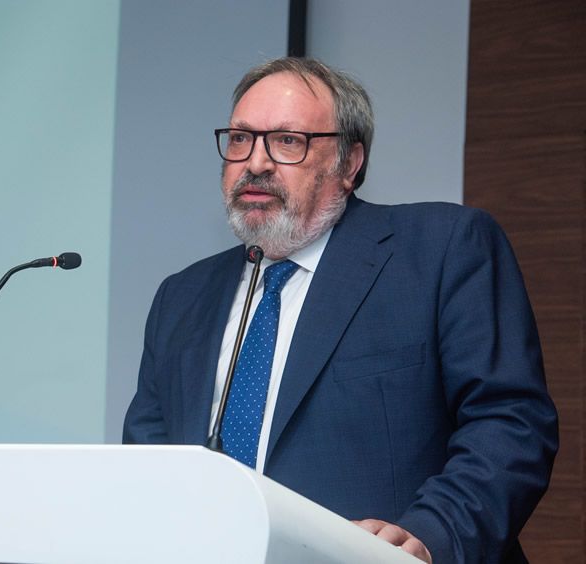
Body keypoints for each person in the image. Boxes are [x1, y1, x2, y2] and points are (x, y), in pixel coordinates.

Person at [122, 57, 558, 563]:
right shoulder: (182, 297)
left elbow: (510, 422)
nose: (255, 163)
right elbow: (149, 463)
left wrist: (431, 533)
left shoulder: (441, 250)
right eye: (240, 139)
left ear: (349, 164)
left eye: (287, 141)